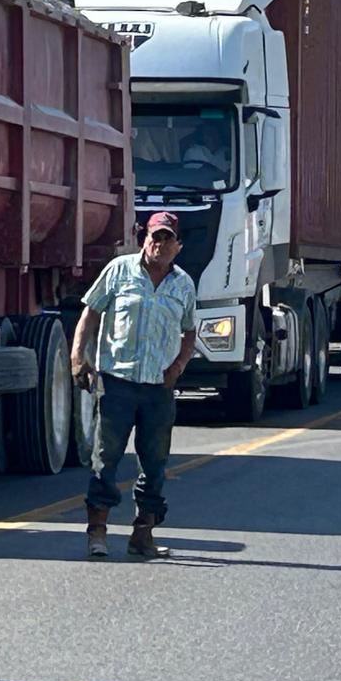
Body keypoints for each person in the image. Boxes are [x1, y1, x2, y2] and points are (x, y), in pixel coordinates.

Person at [71, 212, 197, 558]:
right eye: (154, 236)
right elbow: (90, 313)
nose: (160, 244)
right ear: (144, 238)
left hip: (158, 387)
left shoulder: (183, 285)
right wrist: (78, 357)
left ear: (178, 246)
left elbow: (189, 330)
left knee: (154, 462)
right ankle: (97, 533)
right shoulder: (119, 271)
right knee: (105, 458)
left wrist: (179, 366)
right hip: (117, 383)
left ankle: (143, 534)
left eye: (167, 238)